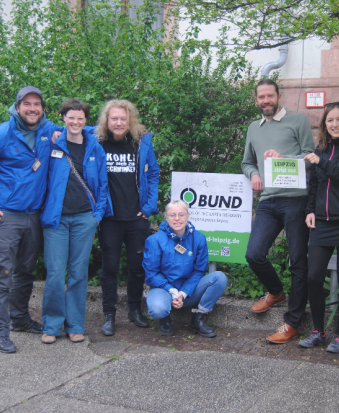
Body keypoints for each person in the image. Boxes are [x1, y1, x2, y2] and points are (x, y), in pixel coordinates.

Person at [0, 86, 62, 353]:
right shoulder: (1, 134)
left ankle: (19, 319)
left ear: (43, 108)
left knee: (25, 273)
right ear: (17, 107)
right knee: (2, 274)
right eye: (27, 104)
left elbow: (78, 129)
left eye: (37, 104)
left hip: (34, 217)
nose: (32, 109)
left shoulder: (48, 131)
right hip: (6, 217)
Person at [241, 79, 315, 344]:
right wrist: (254, 173)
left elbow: (310, 158)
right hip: (268, 201)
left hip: (295, 200)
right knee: (253, 254)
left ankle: (292, 323)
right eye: (261, 97)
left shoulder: (298, 121)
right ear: (256, 100)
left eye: (270, 96)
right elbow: (247, 162)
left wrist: (284, 160)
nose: (266, 101)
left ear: (278, 96)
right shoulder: (253, 128)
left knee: (298, 262)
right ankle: (275, 292)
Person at [39, 99, 108, 344]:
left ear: (85, 120)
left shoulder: (95, 148)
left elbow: (103, 186)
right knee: (56, 273)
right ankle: (52, 325)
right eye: (71, 117)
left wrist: (97, 216)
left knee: (78, 274)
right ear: (63, 118)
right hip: (56, 220)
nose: (75, 122)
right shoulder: (53, 144)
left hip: (84, 219)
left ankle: (75, 325)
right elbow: (33, 170)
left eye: (80, 118)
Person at [298, 102, 339, 353]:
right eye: (330, 121)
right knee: (314, 276)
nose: (335, 124)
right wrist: (309, 210)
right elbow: (314, 184)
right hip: (322, 223)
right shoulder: (321, 149)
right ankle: (318, 331)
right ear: (324, 125)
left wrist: (322, 162)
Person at [97, 100, 159, 336]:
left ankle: (135, 310)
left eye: (123, 118)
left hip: (136, 218)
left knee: (137, 267)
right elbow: (73, 127)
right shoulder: (97, 142)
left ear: (130, 120)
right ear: (106, 120)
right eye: (114, 118)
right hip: (110, 218)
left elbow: (153, 173)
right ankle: (109, 314)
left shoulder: (141, 143)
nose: (119, 123)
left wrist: (149, 206)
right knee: (110, 268)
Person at [143, 200, 228, 337]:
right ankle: (164, 318)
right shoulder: (155, 240)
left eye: (181, 215)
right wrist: (171, 290)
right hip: (164, 289)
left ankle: (198, 318)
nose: (177, 218)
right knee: (158, 309)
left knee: (219, 278)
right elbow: (151, 273)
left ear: (188, 216)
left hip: (189, 291)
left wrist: (183, 293)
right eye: (172, 215)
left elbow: (199, 270)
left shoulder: (199, 238)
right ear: (166, 217)